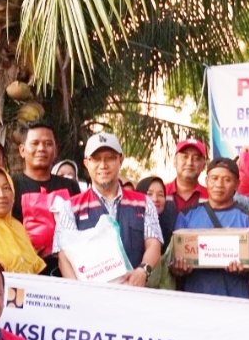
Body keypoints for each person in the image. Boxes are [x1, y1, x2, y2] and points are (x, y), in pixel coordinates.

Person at [55, 133, 163, 286]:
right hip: (91, 300)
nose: (103, 165)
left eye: (110, 158)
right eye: (96, 159)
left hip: (134, 295)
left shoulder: (143, 203)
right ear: (86, 163)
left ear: (121, 160)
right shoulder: (70, 207)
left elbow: (154, 243)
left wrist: (143, 270)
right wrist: (78, 291)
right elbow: (63, 256)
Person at [170, 158, 249, 298]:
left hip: (236, 299)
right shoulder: (186, 216)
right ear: (206, 181)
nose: (219, 185)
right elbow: (174, 262)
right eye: (214, 178)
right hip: (196, 297)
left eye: (227, 180)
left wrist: (245, 269)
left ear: (237, 184)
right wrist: (180, 268)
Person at [12, 121, 81, 222]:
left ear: (55, 150)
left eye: (48, 144)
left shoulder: (70, 186)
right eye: (35, 143)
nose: (41, 149)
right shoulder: (11, 186)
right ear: (22, 150)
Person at [166, 138, 208, 213]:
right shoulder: (161, 194)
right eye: (184, 157)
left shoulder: (211, 197)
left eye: (196, 158)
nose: (189, 163)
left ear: (203, 165)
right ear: (175, 162)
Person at [136, 176, 177, 249]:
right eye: (149, 194)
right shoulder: (130, 229)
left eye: (160, 195)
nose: (155, 199)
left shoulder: (170, 227)